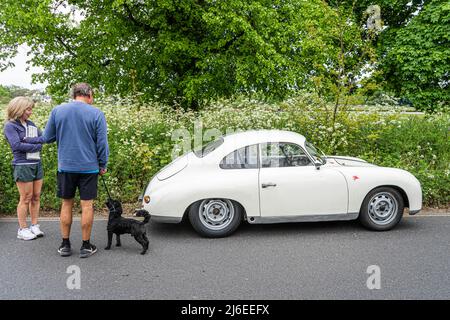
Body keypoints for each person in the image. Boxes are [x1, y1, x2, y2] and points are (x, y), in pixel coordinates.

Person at [38, 83, 109, 258]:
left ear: (74, 94)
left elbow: (47, 138)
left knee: (66, 203)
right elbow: (102, 143)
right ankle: (85, 245)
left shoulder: (58, 111)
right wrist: (103, 164)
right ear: (89, 95)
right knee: (87, 205)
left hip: (66, 166)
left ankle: (65, 244)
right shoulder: (96, 114)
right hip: (89, 168)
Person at [3, 97, 45, 240]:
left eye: (31, 109)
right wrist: (34, 145)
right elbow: (16, 145)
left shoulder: (31, 124)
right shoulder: (10, 126)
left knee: (36, 196)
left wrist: (27, 141)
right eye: (28, 109)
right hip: (22, 165)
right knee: (25, 198)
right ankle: (23, 229)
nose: (30, 112)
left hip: (36, 163)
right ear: (19, 109)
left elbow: (42, 140)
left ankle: (34, 226)